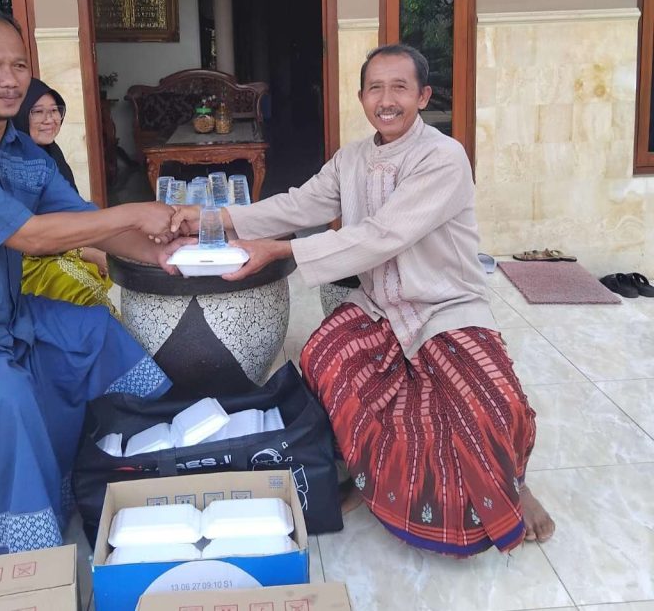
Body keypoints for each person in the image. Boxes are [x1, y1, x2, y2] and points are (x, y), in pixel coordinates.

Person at [171, 43, 555, 557]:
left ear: (423, 96)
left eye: (400, 87)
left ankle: (515, 483)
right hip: (381, 308)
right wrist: (210, 220)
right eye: (376, 87)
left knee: (489, 401)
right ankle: (361, 472)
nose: (386, 98)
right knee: (324, 356)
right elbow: (298, 205)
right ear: (361, 96)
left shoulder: (443, 157)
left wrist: (280, 250)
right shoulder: (351, 158)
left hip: (445, 307)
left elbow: (381, 236)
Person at [0, 7, 181, 555]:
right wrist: (134, 211)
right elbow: (32, 236)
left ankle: (135, 462)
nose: (10, 79)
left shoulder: (22, 153)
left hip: (7, 319)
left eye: (19, 65)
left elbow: (86, 225)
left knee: (92, 332)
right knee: (5, 395)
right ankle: (31, 553)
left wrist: (172, 252)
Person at [12, 78, 118, 317]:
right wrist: (85, 251)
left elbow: (74, 213)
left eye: (54, 111)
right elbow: (27, 234)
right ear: (19, 115)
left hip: (59, 247)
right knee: (91, 295)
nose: (49, 120)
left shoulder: (51, 155)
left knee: (109, 273)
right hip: (26, 261)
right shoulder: (15, 164)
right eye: (37, 112)